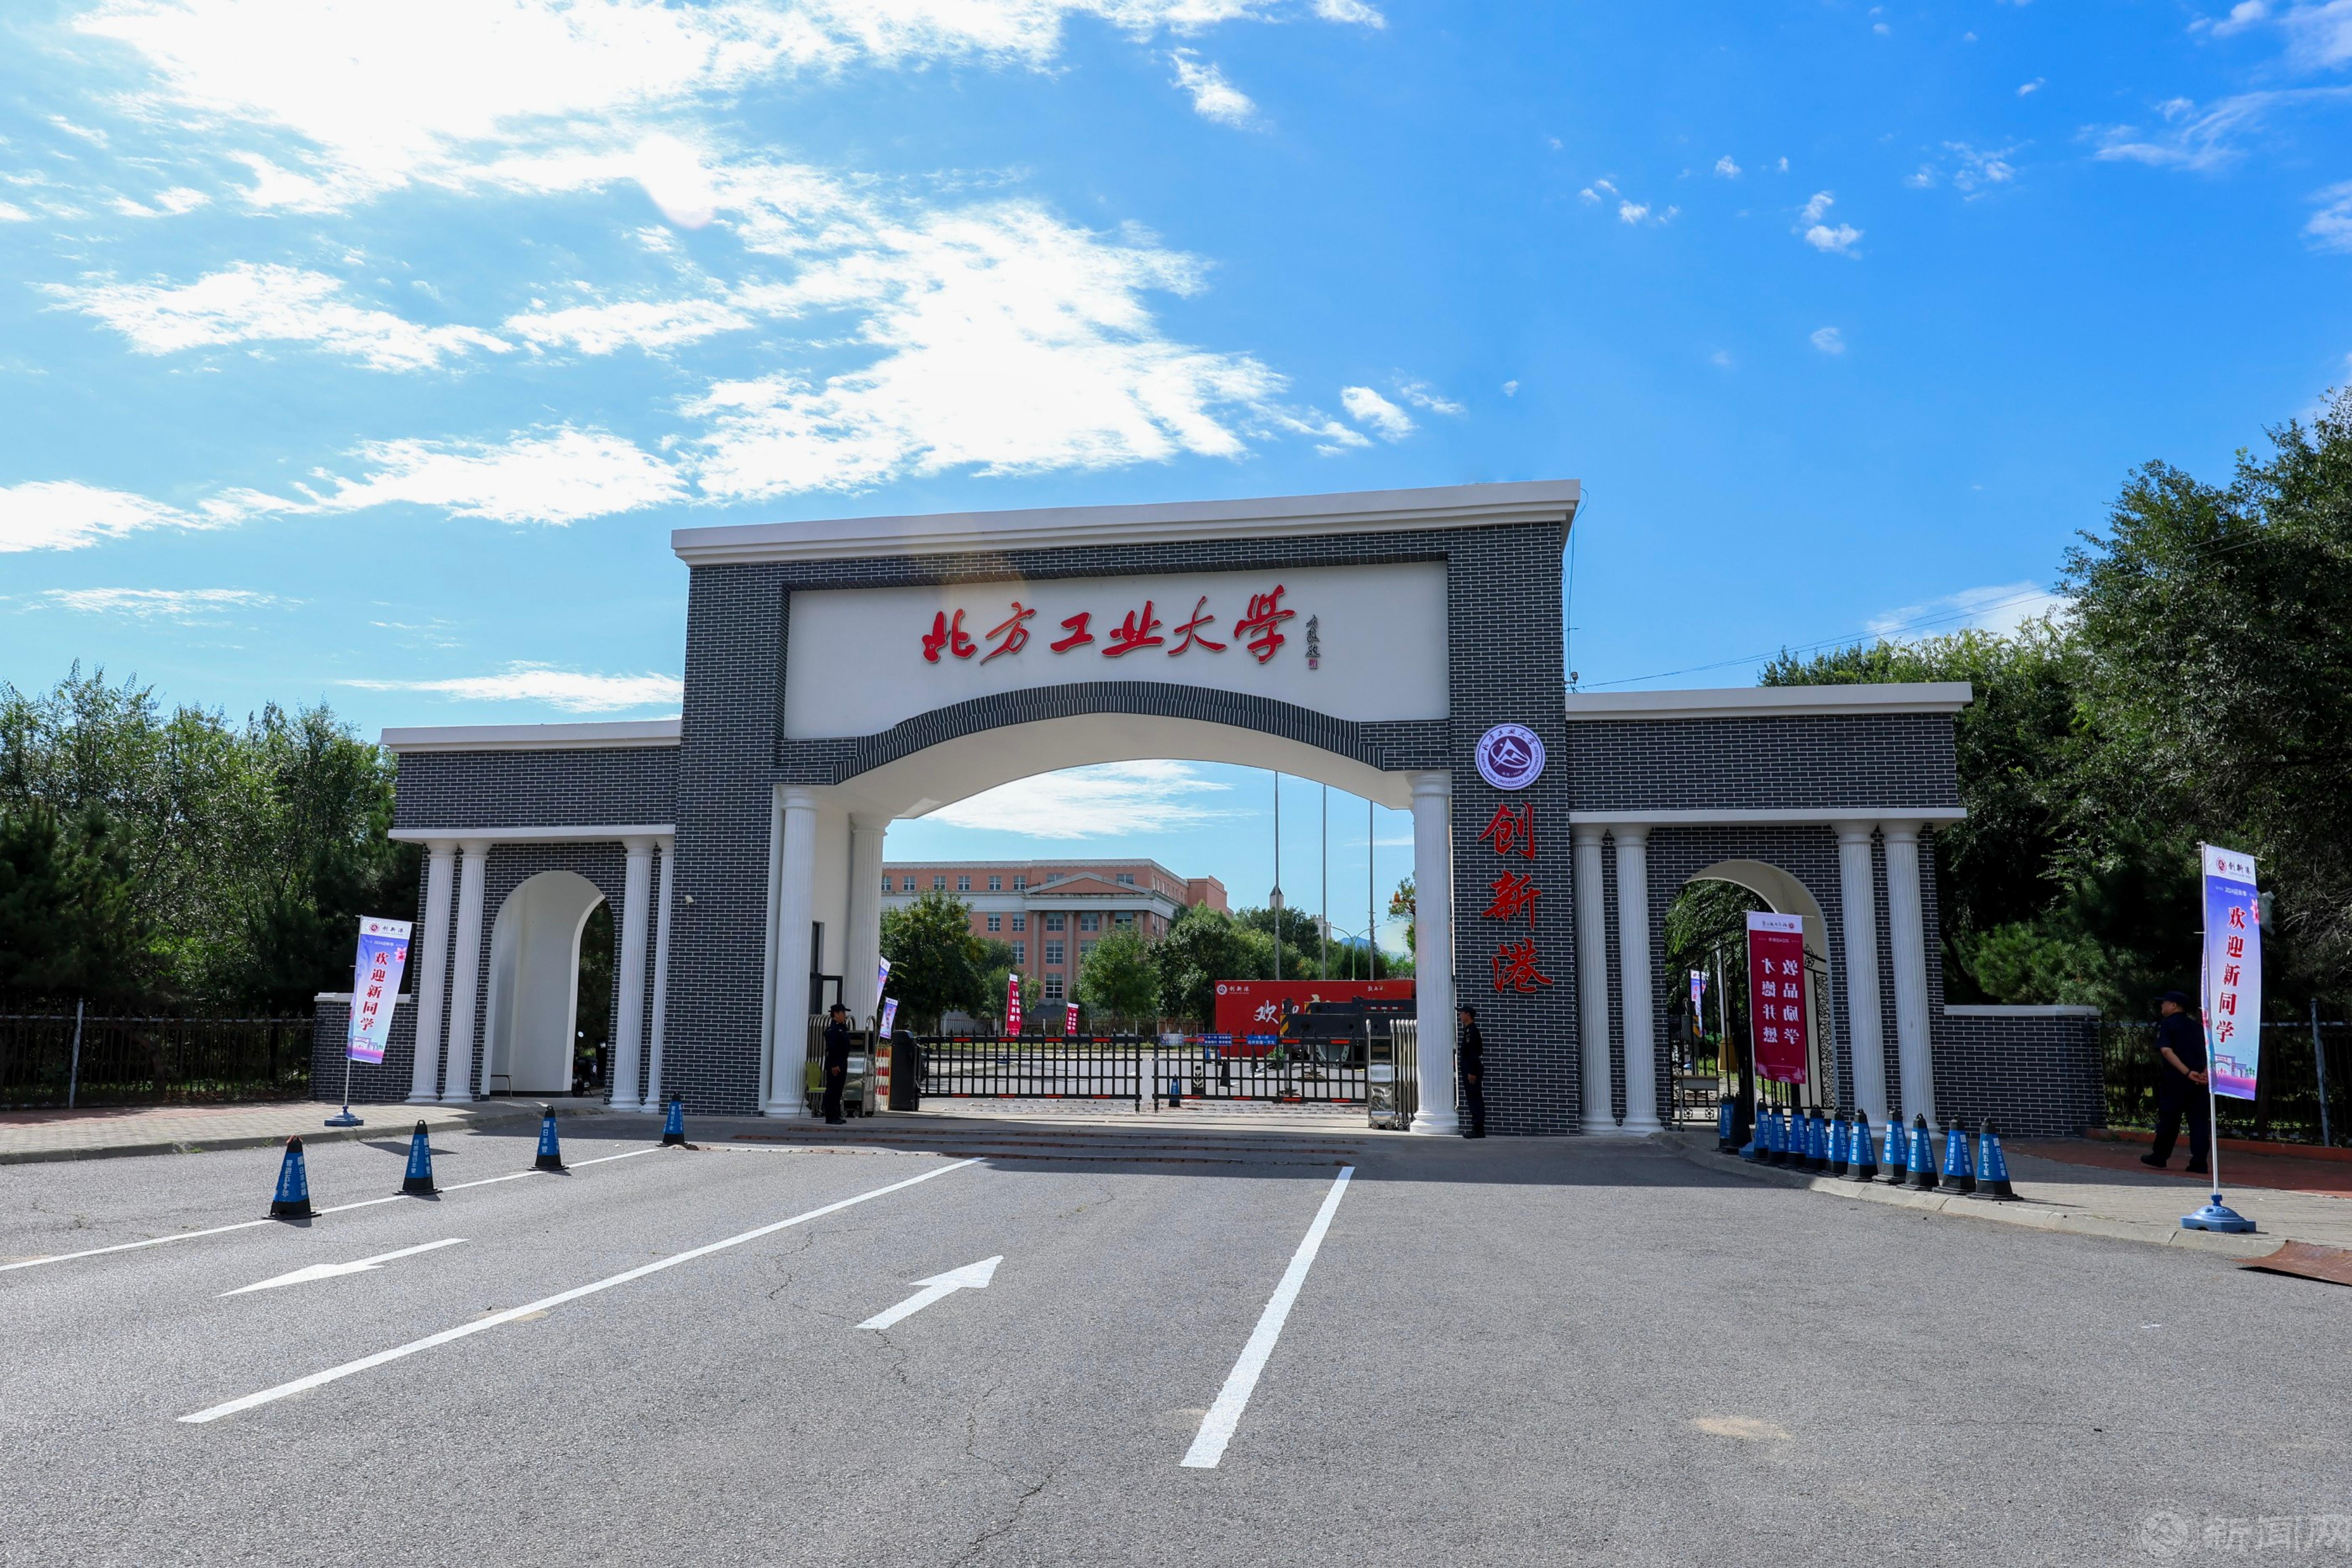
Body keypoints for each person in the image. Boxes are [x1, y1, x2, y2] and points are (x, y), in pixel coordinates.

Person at [2142, 990, 2210, 1175]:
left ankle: (2160, 1156)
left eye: (2164, 1003)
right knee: (2199, 1122)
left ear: (2174, 1006)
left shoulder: (2168, 1024)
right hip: (2200, 1081)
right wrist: (2204, 1073)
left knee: (2170, 1120)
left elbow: (2166, 1051)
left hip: (2176, 1080)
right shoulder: (2198, 1027)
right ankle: (2199, 1163)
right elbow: (2210, 1051)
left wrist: (2187, 1073)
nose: (2161, 1005)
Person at [1457, 1003, 1486, 1138]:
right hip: (1469, 1069)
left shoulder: (1472, 1031)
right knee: (1473, 1098)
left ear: (1468, 1015)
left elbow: (1474, 1053)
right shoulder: (1469, 1030)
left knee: (1475, 1099)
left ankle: (1478, 1129)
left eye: (1462, 1014)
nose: (1460, 1016)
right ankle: (1477, 1128)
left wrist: (1472, 1072)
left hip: (1472, 1070)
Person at [821, 1001, 853, 1125]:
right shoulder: (833, 1029)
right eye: (843, 1013)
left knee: (838, 1090)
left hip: (842, 1061)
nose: (845, 1015)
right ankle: (830, 1117)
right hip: (836, 1062)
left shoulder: (842, 1028)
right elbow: (832, 1048)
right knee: (833, 1090)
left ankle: (836, 1115)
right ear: (836, 1014)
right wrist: (834, 1065)